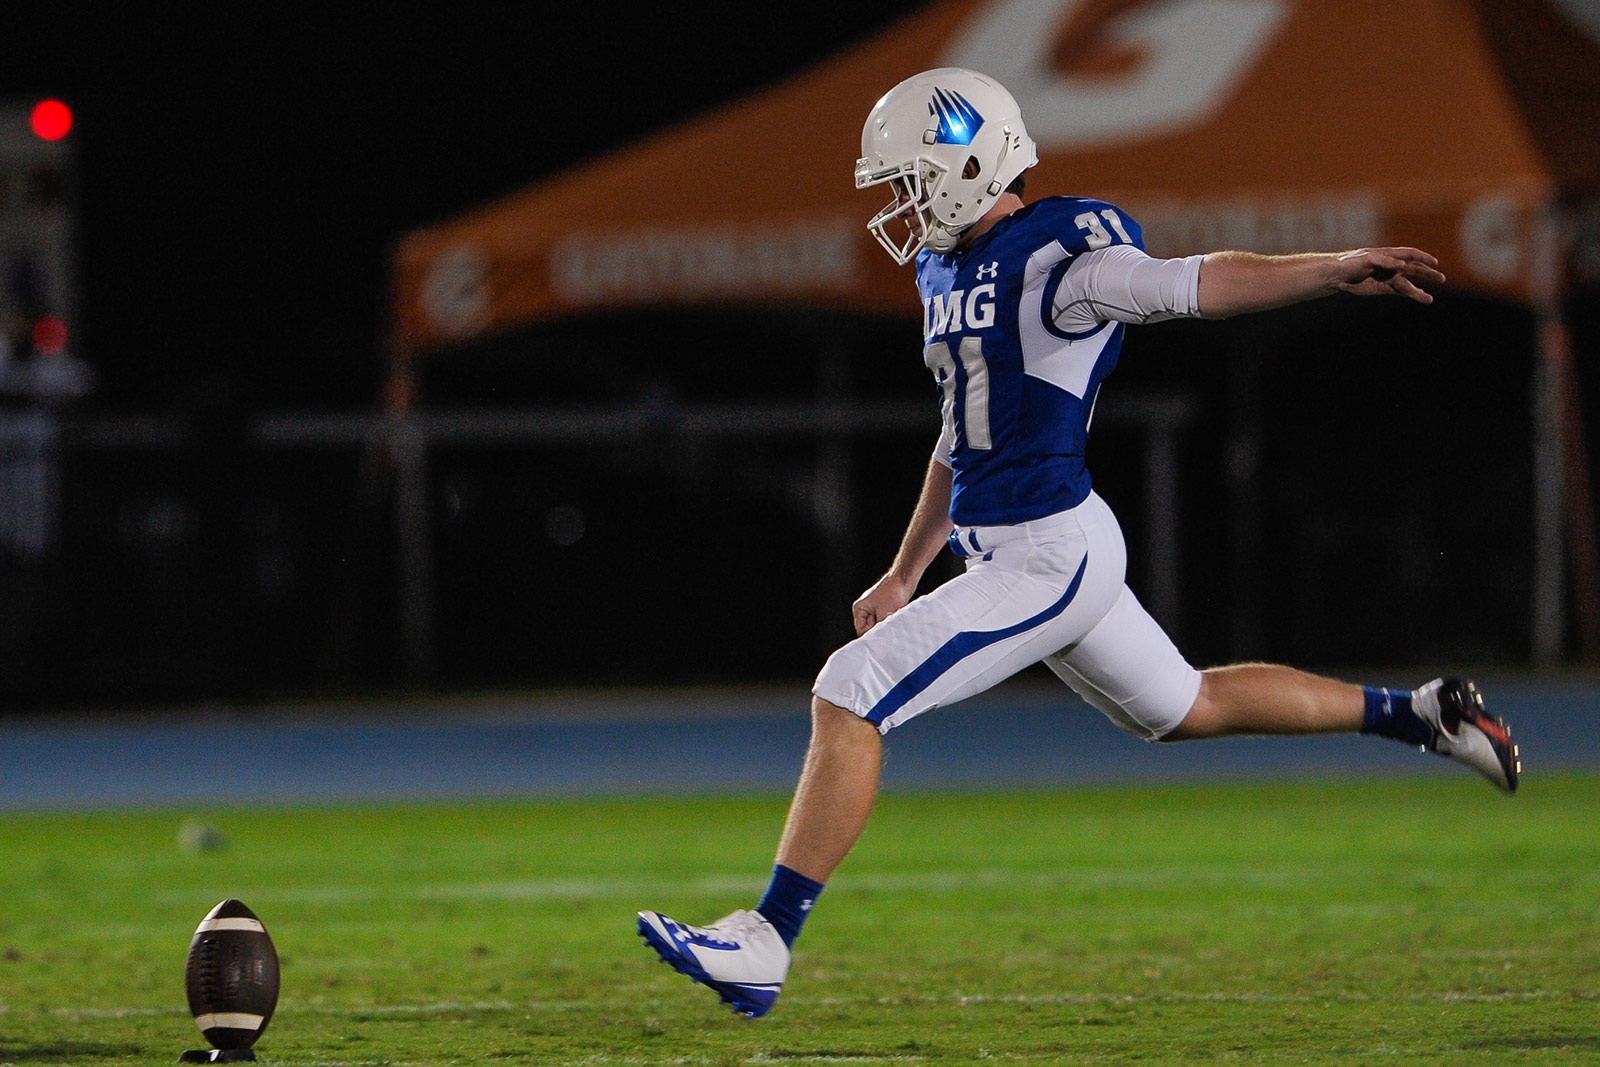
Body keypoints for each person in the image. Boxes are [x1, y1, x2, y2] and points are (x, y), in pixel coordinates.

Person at [636, 67, 1520, 1018]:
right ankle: (1424, 713)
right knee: (1187, 705)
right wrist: (905, 568)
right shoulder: (949, 268)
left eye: (908, 181)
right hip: (1024, 550)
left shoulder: (1062, 254)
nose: (898, 207)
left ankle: (765, 939)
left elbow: (1188, 283)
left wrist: (1327, 267)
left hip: (1047, 555)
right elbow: (961, 432)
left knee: (848, 690)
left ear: (967, 163)